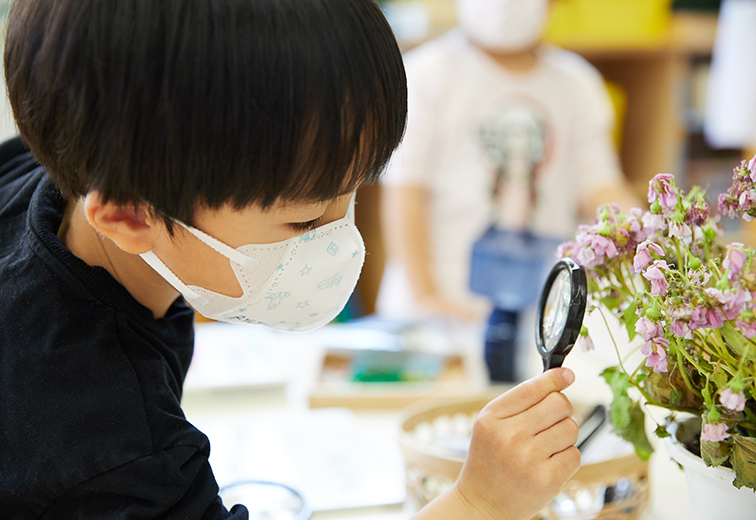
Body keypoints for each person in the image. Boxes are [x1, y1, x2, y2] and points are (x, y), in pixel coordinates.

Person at [0, 1, 579, 518]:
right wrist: (479, 501)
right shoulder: (111, 446)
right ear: (130, 216)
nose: (343, 241)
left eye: (354, 192)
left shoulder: (51, 172)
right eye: (304, 221)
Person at [376, 0, 638, 381]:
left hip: (541, 321)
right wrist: (427, 297)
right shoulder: (427, 74)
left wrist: (648, 236)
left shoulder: (577, 84)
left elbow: (600, 185)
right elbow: (405, 192)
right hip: (438, 317)